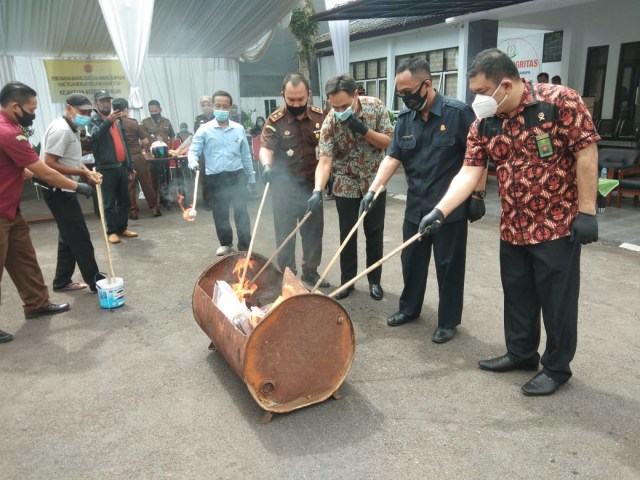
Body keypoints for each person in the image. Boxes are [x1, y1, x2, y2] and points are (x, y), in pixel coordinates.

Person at [417, 48, 599, 395]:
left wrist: (587, 211)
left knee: (557, 301)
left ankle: (557, 368)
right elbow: (470, 171)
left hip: (557, 225)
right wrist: (441, 211)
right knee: (517, 294)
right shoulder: (485, 122)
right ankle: (521, 353)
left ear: (505, 84)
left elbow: (586, 152)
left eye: (483, 93)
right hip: (513, 226)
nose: (478, 100)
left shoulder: (559, 102)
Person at [365, 57, 480, 344]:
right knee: (411, 261)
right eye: (399, 94)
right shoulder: (404, 119)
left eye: (408, 93)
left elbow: (479, 157)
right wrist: (374, 189)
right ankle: (409, 309)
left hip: (449, 209)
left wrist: (477, 194)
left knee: (448, 265)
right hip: (416, 207)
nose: (404, 99)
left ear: (426, 85)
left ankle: (448, 321)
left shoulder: (458, 114)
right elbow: (392, 157)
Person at [0, 81, 95, 341]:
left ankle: (37, 304)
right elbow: (45, 168)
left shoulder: (10, 128)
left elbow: (26, 169)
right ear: (15, 106)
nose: (34, 114)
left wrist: (41, 177)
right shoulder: (8, 132)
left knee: (24, 259)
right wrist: (77, 186)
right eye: (31, 109)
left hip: (10, 209)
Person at [311, 74, 394, 300]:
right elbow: (325, 160)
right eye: (334, 106)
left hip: (374, 182)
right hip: (345, 184)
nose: (339, 111)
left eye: (344, 105)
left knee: (374, 233)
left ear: (356, 94)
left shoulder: (376, 108)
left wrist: (364, 131)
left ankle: (374, 280)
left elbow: (390, 143)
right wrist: (318, 189)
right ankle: (348, 281)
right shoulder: (330, 122)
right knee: (347, 235)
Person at [258, 73, 329, 288]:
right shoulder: (275, 121)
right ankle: (287, 275)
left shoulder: (321, 117)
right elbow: (265, 147)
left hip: (312, 186)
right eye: (291, 100)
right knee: (285, 233)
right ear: (283, 96)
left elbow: (329, 151)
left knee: (313, 233)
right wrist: (267, 166)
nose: (296, 104)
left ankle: (310, 272)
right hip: (284, 188)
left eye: (300, 99)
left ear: (308, 94)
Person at [40, 93, 104, 293]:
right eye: (82, 111)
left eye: (88, 112)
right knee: (79, 236)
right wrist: (80, 176)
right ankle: (96, 281)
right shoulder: (61, 130)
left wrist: (86, 172)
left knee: (68, 235)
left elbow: (72, 160)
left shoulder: (73, 127)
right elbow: (49, 163)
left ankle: (62, 281)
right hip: (57, 189)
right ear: (69, 108)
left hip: (63, 187)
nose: (85, 115)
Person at [187, 90, 255, 256]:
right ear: (213, 106)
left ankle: (245, 246)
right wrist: (193, 162)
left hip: (237, 176)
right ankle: (226, 243)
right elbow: (193, 151)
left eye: (225, 106)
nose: (221, 109)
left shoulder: (238, 129)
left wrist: (251, 177)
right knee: (220, 213)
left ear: (230, 108)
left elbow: (246, 155)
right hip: (215, 178)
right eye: (218, 105)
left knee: (241, 212)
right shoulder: (204, 129)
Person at [88, 90, 138, 244]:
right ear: (96, 103)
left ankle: (122, 228)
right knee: (109, 202)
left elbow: (124, 144)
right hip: (106, 168)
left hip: (122, 167)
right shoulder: (94, 121)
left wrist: (130, 166)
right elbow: (95, 137)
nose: (106, 103)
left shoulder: (117, 120)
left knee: (125, 200)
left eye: (107, 101)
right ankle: (111, 231)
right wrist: (107, 121)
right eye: (102, 101)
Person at [111, 98, 158, 219]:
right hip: (137, 156)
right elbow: (146, 141)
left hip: (122, 159)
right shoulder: (133, 123)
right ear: (126, 109)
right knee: (147, 182)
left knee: (129, 186)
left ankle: (133, 212)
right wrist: (140, 146)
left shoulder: (111, 124)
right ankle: (154, 208)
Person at [141, 100, 175, 208]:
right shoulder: (145, 122)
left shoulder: (166, 122)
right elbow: (142, 138)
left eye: (155, 110)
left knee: (166, 177)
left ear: (160, 109)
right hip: (152, 156)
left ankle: (167, 199)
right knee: (154, 178)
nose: (153, 113)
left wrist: (171, 149)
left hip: (164, 155)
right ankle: (155, 202)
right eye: (151, 111)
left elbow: (172, 136)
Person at [193, 95, 214, 210]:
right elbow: (196, 135)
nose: (206, 107)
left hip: (217, 152)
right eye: (203, 105)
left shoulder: (218, 117)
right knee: (205, 178)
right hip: (204, 153)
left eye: (208, 104)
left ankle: (220, 200)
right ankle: (207, 202)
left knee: (218, 177)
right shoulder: (198, 119)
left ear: (212, 105)